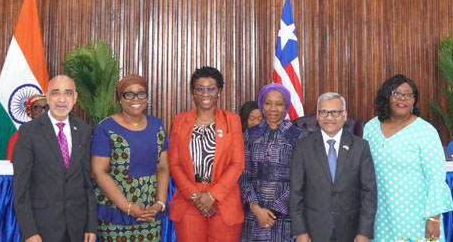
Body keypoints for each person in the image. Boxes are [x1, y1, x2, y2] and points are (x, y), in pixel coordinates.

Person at [363, 75, 453, 242]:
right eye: (396, 93)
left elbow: (436, 179)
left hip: (415, 215)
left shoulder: (425, 132)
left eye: (408, 95)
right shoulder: (371, 128)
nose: (403, 98)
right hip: (380, 214)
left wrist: (433, 218)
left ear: (414, 101)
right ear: (386, 97)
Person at [13, 75, 97, 242]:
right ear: (47, 97)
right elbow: (20, 188)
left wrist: (91, 225)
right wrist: (29, 231)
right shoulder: (28, 132)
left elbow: (88, 183)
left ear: (75, 97)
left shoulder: (84, 130)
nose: (62, 99)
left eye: (68, 93)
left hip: (77, 227)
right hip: (42, 228)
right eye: (56, 93)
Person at [168, 66, 245, 242]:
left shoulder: (232, 121)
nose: (205, 94)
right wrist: (196, 197)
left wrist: (212, 195)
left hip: (224, 199)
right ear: (193, 92)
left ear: (219, 91)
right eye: (200, 89)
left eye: (211, 89)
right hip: (189, 200)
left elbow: (237, 163)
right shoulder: (180, 121)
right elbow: (174, 164)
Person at [91, 74, 169, 242]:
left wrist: (160, 203)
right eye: (129, 94)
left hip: (150, 212)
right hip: (116, 211)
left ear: (147, 97)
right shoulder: (105, 128)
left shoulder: (157, 125)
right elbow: (99, 172)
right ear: (120, 99)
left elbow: (162, 168)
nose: (136, 99)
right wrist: (127, 207)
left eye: (141, 93)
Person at [290, 92, 377, 242]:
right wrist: (300, 231)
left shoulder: (360, 146)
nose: (329, 117)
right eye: (324, 112)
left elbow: (368, 192)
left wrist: (364, 232)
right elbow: (295, 192)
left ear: (344, 115)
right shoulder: (303, 147)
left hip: (350, 230)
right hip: (313, 230)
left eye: (335, 112)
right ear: (317, 115)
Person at [239, 84, 305, 242]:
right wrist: (256, 208)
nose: (273, 109)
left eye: (279, 104)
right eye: (268, 103)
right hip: (253, 216)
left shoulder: (297, 136)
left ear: (286, 106)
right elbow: (243, 174)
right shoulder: (250, 134)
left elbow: (301, 179)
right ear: (262, 105)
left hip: (284, 217)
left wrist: (274, 211)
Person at [7, 94, 48, 161]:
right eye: (38, 108)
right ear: (30, 112)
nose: (43, 111)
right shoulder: (19, 135)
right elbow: (11, 162)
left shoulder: (58, 132)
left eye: (47, 108)